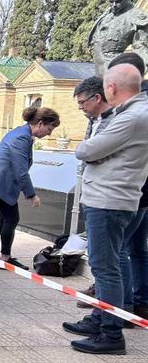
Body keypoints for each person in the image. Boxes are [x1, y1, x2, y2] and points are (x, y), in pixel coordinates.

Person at [62, 63, 148, 355]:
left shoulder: (132, 117)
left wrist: (91, 152)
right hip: (110, 199)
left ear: (110, 89)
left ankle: (111, 333)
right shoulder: (130, 114)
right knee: (106, 264)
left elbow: (87, 151)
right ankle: (101, 317)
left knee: (106, 267)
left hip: (110, 201)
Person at [0, 107, 59, 270]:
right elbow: (20, 170)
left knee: (4, 218)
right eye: (49, 129)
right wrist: (31, 195)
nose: (49, 134)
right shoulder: (22, 137)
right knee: (11, 219)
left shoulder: (21, 133)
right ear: (40, 123)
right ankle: (5, 258)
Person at [109, 54, 148, 322]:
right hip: (142, 192)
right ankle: (139, 302)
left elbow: (95, 150)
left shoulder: (135, 107)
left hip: (132, 191)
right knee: (137, 249)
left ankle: (119, 311)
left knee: (119, 250)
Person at [72, 76, 114, 303]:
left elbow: (88, 152)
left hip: (106, 198)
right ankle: (107, 311)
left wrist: (85, 151)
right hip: (95, 193)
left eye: (82, 103)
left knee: (106, 261)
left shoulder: (118, 120)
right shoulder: (94, 120)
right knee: (104, 260)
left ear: (97, 97)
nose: (80, 108)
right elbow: (86, 150)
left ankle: (108, 321)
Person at [87, 0, 148, 75]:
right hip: (97, 65)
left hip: (115, 67)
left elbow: (141, 48)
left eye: (118, 1)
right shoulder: (106, 15)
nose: (114, 5)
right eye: (111, 1)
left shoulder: (137, 17)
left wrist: (136, 74)